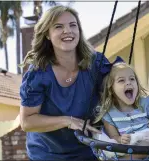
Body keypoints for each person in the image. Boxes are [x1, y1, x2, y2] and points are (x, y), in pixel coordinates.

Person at [19, 5, 123, 160]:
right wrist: (67, 121)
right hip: (48, 153)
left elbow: (120, 93)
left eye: (72, 25)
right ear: (47, 34)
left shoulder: (96, 63)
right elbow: (27, 122)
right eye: (58, 27)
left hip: (89, 148)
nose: (67, 31)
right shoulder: (38, 74)